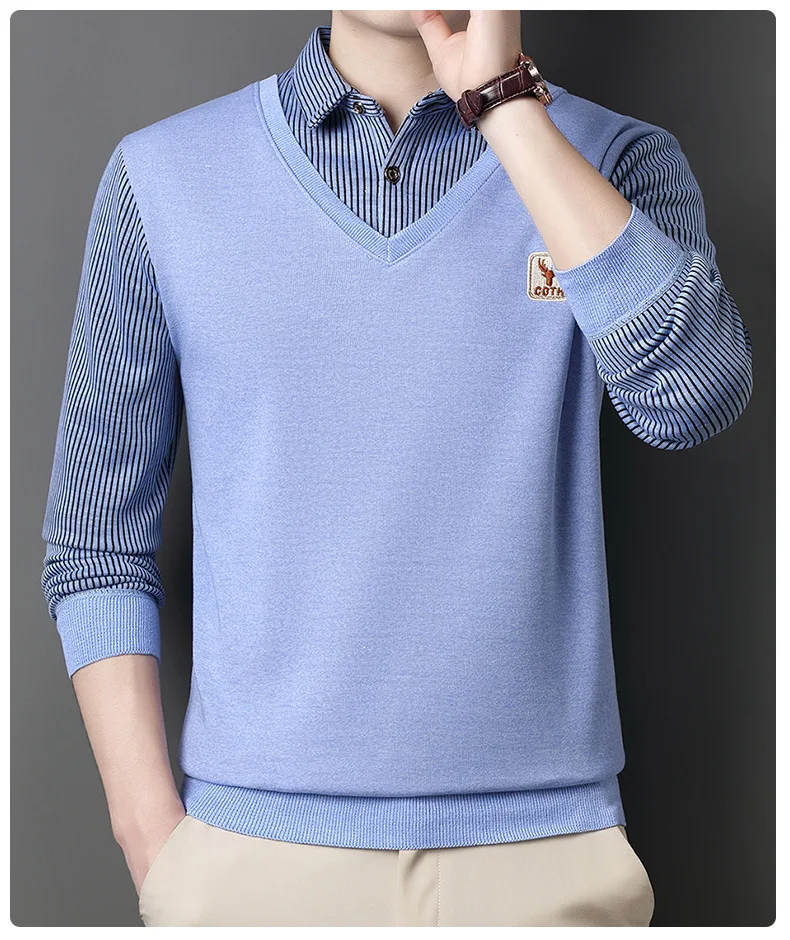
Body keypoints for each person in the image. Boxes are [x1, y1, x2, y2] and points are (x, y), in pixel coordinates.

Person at [39, 9, 753, 928]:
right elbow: (95, 544)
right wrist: (154, 841)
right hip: (251, 862)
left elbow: (694, 398)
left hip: (546, 861)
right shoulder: (163, 176)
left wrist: (506, 109)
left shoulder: (617, 158)